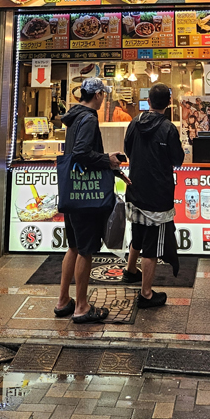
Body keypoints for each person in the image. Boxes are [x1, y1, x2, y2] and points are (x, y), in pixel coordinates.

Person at [55, 77, 124, 324]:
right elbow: (81, 153)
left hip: (72, 192)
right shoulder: (89, 118)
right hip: (86, 195)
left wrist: (107, 160)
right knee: (85, 250)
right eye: (103, 94)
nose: (104, 98)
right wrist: (107, 160)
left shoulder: (74, 117)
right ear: (97, 95)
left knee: (73, 246)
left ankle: (63, 301)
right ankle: (81, 307)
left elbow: (78, 153)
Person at [122, 83, 185, 308]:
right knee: (152, 246)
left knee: (138, 232)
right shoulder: (169, 128)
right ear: (169, 103)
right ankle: (146, 294)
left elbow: (127, 150)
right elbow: (177, 160)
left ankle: (130, 270)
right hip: (158, 195)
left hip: (135, 188)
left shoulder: (134, 122)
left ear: (148, 102)